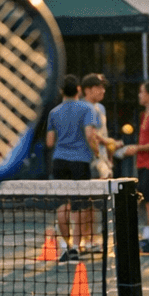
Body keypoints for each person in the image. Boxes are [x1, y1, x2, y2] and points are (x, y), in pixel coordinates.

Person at [45, 75, 102, 261]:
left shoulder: (54, 112)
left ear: (62, 91)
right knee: (79, 206)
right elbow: (89, 134)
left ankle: (66, 245)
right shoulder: (87, 108)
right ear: (78, 89)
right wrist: (98, 154)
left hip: (59, 161)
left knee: (63, 205)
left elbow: (50, 141)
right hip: (80, 162)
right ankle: (76, 248)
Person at [118, 80, 149, 254]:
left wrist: (136, 148)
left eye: (141, 92)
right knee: (147, 201)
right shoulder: (145, 114)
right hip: (143, 164)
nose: (139, 95)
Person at [81, 73, 117, 181]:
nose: (103, 91)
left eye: (103, 87)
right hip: (88, 160)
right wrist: (106, 141)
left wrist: (109, 158)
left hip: (102, 160)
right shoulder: (81, 107)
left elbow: (102, 133)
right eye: (98, 87)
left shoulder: (101, 108)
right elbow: (90, 134)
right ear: (87, 90)